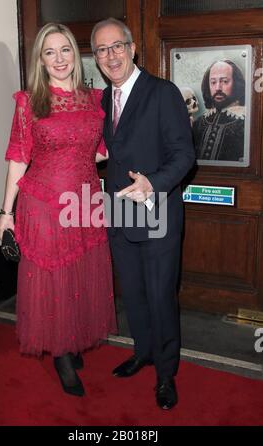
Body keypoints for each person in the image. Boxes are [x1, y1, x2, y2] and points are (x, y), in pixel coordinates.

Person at [0, 23, 117, 397]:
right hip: (44, 204)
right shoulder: (30, 101)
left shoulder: (96, 99)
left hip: (84, 204)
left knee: (80, 276)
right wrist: (5, 212)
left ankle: (74, 338)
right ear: (41, 60)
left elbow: (101, 150)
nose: (59, 58)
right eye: (50, 52)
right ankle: (63, 354)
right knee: (56, 280)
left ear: (75, 55)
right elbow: (18, 158)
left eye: (65, 50)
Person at [91, 18, 195, 410]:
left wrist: (152, 182)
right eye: (101, 50)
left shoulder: (162, 93)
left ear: (132, 49)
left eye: (116, 46)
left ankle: (166, 374)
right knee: (133, 294)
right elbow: (105, 150)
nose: (110, 56)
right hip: (118, 213)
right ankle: (144, 352)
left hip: (156, 212)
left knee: (159, 295)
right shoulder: (102, 100)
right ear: (97, 59)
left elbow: (184, 155)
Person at [193, 59, 246, 161]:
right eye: (213, 82)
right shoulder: (199, 123)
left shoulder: (247, 123)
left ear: (236, 84)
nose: (218, 88)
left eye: (225, 81)